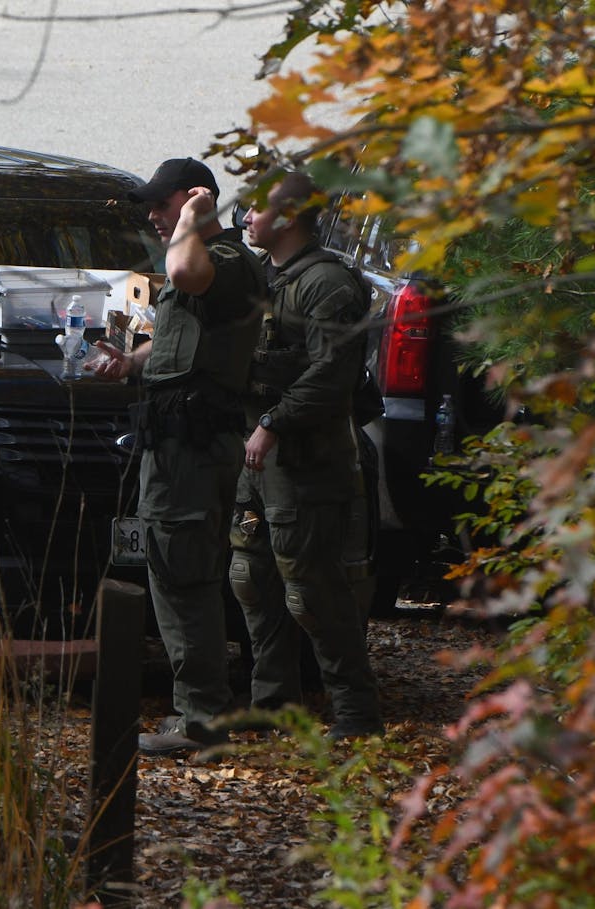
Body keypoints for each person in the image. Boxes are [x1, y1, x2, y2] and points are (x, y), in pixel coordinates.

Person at [88, 158, 267, 756]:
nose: (155, 219)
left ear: (194, 200)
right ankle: (199, 710)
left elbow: (188, 273)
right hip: (175, 443)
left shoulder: (225, 262)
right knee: (178, 570)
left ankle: (201, 720)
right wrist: (127, 361)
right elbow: (174, 342)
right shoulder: (201, 266)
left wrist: (193, 216)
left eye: (163, 206)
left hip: (193, 449)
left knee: (181, 574)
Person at [232, 170, 382, 739]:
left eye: (256, 208)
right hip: (259, 461)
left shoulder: (326, 284)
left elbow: (335, 373)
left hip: (308, 462)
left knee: (313, 591)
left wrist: (273, 421)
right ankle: (271, 706)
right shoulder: (265, 278)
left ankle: (356, 715)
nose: (247, 217)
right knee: (251, 578)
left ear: (289, 217)